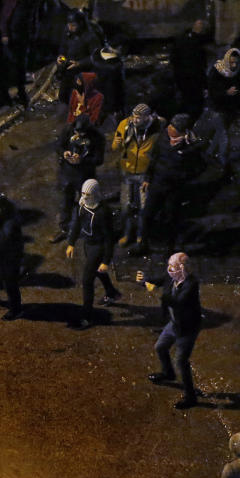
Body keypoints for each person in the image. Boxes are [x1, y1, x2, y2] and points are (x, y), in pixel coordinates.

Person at [129, 113, 206, 255]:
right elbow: (154, 158)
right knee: (147, 215)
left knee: (171, 218)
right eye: (170, 125)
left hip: (174, 189)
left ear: (182, 131)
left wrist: (183, 177)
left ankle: (169, 249)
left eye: (173, 127)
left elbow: (199, 168)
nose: (169, 128)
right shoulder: (163, 138)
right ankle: (142, 244)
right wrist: (147, 178)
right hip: (157, 184)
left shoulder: (191, 147)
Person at [136, 252, 202, 410]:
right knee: (160, 347)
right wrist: (144, 279)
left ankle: (190, 396)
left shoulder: (191, 284)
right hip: (173, 324)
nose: (169, 269)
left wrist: (159, 293)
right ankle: (168, 373)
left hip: (187, 329)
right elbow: (157, 280)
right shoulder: (171, 278)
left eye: (173, 266)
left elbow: (178, 301)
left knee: (181, 362)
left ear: (182, 268)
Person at [65, 179, 120, 329]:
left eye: (88, 194)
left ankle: (87, 316)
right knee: (97, 271)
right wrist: (71, 242)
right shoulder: (82, 204)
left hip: (98, 247)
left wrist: (106, 260)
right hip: (88, 244)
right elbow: (77, 223)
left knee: (87, 280)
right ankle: (111, 292)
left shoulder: (103, 212)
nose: (85, 196)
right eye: (83, 193)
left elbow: (109, 238)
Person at [112, 104, 165, 248]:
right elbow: (115, 146)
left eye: (139, 117)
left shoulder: (156, 131)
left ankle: (141, 236)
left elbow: (158, 154)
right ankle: (127, 234)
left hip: (144, 173)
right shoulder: (125, 125)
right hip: (127, 171)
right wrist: (116, 144)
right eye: (134, 116)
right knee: (126, 206)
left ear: (147, 117)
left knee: (143, 208)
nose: (135, 120)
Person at [51, 114, 104, 244]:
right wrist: (64, 153)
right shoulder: (68, 130)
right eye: (76, 131)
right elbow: (59, 145)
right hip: (67, 174)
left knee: (87, 204)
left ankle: (88, 229)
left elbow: (99, 159)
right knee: (65, 203)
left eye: (81, 132)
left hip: (85, 176)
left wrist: (83, 160)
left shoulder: (97, 137)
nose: (78, 134)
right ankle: (64, 229)